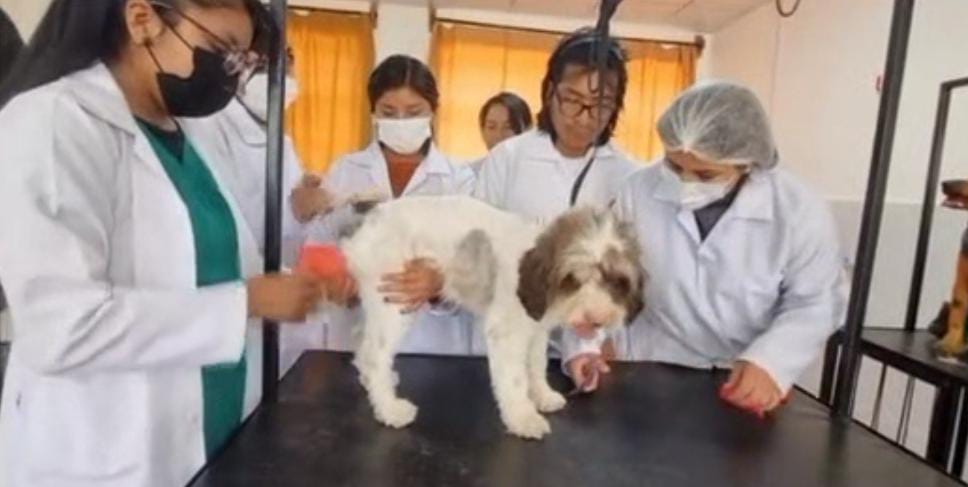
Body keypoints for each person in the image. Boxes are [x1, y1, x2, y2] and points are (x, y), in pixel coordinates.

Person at [0, 1, 324, 485]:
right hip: (104, 453)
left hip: (211, 436)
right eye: (222, 50)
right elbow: (62, 328)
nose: (231, 75)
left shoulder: (193, 133)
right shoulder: (52, 122)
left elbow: (225, 253)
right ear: (142, 19)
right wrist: (245, 303)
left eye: (243, 60)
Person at [602, 81, 846, 414]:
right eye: (674, 167)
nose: (686, 184)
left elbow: (817, 300)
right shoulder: (637, 191)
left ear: (746, 164)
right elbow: (607, 279)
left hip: (743, 376)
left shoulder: (797, 209)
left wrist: (771, 360)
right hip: (652, 359)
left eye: (705, 174)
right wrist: (592, 341)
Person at [472, 29, 640, 359]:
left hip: (590, 351)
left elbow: (625, 279)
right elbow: (479, 251)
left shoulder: (629, 176)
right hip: (508, 345)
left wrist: (589, 339)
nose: (584, 118)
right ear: (550, 91)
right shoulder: (508, 159)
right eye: (573, 100)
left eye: (601, 105)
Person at [303, 54, 476, 358]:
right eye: (389, 112)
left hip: (432, 345)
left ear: (433, 112)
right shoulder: (347, 170)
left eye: (413, 112)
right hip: (355, 339)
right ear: (373, 113)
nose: (401, 122)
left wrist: (438, 283)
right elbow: (317, 246)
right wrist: (334, 279)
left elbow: (473, 264)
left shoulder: (458, 179)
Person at [214, 47, 332, 266]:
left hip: (276, 276)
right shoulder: (213, 127)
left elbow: (292, 237)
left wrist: (304, 196)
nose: (281, 79)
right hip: (235, 283)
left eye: (287, 70)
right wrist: (293, 211)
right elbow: (223, 225)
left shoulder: (280, 140)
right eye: (262, 67)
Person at [472, 91, 533, 173]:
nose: (499, 135)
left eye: (508, 127)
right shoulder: (470, 174)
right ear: (482, 131)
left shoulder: (538, 173)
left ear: (527, 130)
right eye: (491, 127)